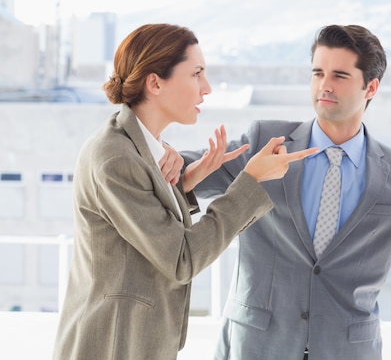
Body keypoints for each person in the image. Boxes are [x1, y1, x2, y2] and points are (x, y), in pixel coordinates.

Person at [52, 23, 317, 360]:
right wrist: (249, 183)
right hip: (113, 344)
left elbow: (143, 224)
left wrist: (182, 184)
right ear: (155, 82)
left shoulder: (140, 147)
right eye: (196, 74)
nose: (206, 88)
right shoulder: (116, 158)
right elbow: (181, 260)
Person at [181, 24, 391, 360]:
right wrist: (152, 152)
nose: (324, 86)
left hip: (347, 350)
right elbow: (188, 174)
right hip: (257, 346)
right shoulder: (265, 143)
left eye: (340, 75)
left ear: (370, 87)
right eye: (318, 73)